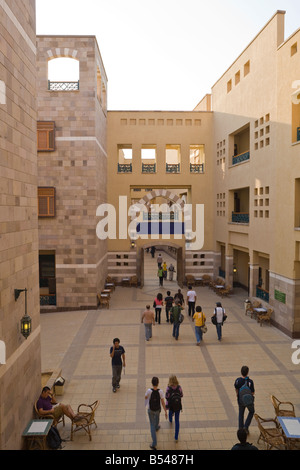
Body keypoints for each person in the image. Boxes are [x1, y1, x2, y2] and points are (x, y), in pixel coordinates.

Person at [145, 377, 167, 450]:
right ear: (158, 383)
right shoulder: (160, 391)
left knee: (152, 425)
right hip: (157, 409)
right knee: (157, 418)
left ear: (152, 383)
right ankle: (157, 426)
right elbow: (163, 402)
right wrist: (165, 411)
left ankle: (154, 443)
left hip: (151, 410)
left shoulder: (149, 391)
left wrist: (146, 401)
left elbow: (146, 397)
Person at [234, 366, 255, 434]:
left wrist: (238, 394)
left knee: (241, 414)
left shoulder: (238, 380)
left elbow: (236, 388)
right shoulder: (250, 382)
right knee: (251, 412)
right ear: (247, 372)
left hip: (240, 400)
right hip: (249, 401)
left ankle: (240, 429)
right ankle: (246, 427)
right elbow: (252, 392)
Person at [165, 375, 183, 442]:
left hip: (171, 405)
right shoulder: (179, 387)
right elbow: (181, 395)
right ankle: (176, 437)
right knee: (177, 420)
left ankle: (170, 420)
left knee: (170, 412)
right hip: (178, 406)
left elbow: (166, 397)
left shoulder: (168, 388)